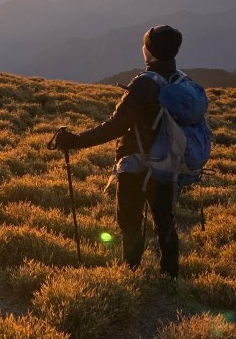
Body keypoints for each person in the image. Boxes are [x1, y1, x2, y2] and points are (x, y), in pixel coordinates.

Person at [49, 25, 184, 278]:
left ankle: (130, 272)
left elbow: (115, 126)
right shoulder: (180, 80)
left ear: (150, 51)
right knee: (165, 221)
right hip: (167, 164)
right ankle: (170, 278)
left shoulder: (144, 84)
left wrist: (75, 141)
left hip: (136, 164)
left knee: (130, 223)